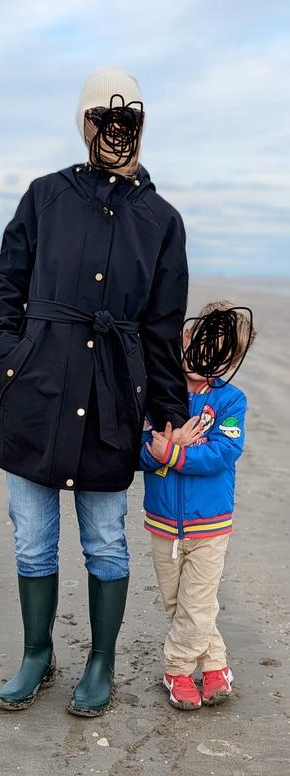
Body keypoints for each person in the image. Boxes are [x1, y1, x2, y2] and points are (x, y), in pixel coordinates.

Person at [0, 66, 190, 716]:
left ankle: (99, 663)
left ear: (141, 126)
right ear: (86, 123)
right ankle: (37, 655)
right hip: (35, 391)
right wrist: (6, 359)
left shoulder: (161, 220)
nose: (115, 130)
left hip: (109, 398)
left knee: (104, 537)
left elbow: (162, 327)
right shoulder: (45, 196)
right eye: (103, 118)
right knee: (32, 538)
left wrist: (167, 413)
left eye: (127, 119)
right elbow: (6, 281)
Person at [140, 301, 256, 710]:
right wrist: (160, 450)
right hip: (163, 523)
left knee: (198, 601)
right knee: (179, 602)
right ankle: (216, 663)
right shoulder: (157, 390)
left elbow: (224, 453)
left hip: (210, 525)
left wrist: (175, 455)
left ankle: (176, 669)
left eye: (221, 353)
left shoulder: (230, 401)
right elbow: (139, 448)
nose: (205, 359)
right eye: (201, 345)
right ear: (185, 337)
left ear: (232, 359)